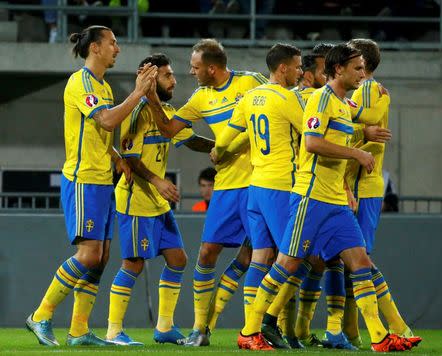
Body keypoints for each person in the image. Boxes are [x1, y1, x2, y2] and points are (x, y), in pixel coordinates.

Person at [237, 43, 420, 353]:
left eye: (364, 68)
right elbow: (311, 143)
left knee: (361, 262)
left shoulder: (342, 103)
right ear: (339, 69)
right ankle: (249, 331)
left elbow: (362, 119)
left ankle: (379, 337)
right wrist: (357, 153)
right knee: (286, 263)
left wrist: (370, 125)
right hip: (310, 197)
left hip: (335, 200)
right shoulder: (321, 100)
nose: (363, 74)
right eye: (358, 68)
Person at [26, 25, 156, 346]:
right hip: (83, 178)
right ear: (95, 48)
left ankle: (79, 331)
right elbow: (107, 121)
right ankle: (41, 315)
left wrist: (117, 158)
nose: (117, 48)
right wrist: (138, 92)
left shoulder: (103, 86)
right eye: (112, 43)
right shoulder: (80, 81)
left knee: (100, 257)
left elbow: (100, 133)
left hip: (101, 179)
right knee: (88, 254)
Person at [145, 38, 267, 346]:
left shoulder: (251, 82)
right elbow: (170, 129)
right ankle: (200, 329)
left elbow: (281, 104)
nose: (191, 71)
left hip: (261, 183)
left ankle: (258, 329)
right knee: (207, 253)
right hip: (226, 186)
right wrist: (150, 96)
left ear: (212, 68)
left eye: (196, 66)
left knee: (259, 258)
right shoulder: (200, 98)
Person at [106, 53, 215, 346]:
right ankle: (114, 331)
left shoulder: (165, 111)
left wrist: (225, 148)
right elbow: (129, 156)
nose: (175, 80)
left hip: (157, 202)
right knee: (134, 264)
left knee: (178, 259)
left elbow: (190, 140)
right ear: (152, 79)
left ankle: (164, 327)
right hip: (136, 200)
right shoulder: (136, 111)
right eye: (168, 75)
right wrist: (157, 180)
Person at [212, 43, 305, 351]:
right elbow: (313, 133)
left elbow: (226, 135)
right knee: (292, 260)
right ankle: (262, 325)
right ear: (283, 68)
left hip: (255, 187)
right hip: (281, 186)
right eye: (297, 65)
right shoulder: (286, 97)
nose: (300, 71)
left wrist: (218, 151)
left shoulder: (250, 97)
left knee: (260, 258)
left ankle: (254, 334)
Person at [342, 38, 418, 346]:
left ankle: (397, 326)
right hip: (362, 185)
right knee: (352, 262)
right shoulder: (370, 92)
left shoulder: (367, 91)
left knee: (358, 261)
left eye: (350, 57)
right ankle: (349, 330)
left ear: (361, 62)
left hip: (360, 186)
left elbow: (357, 128)